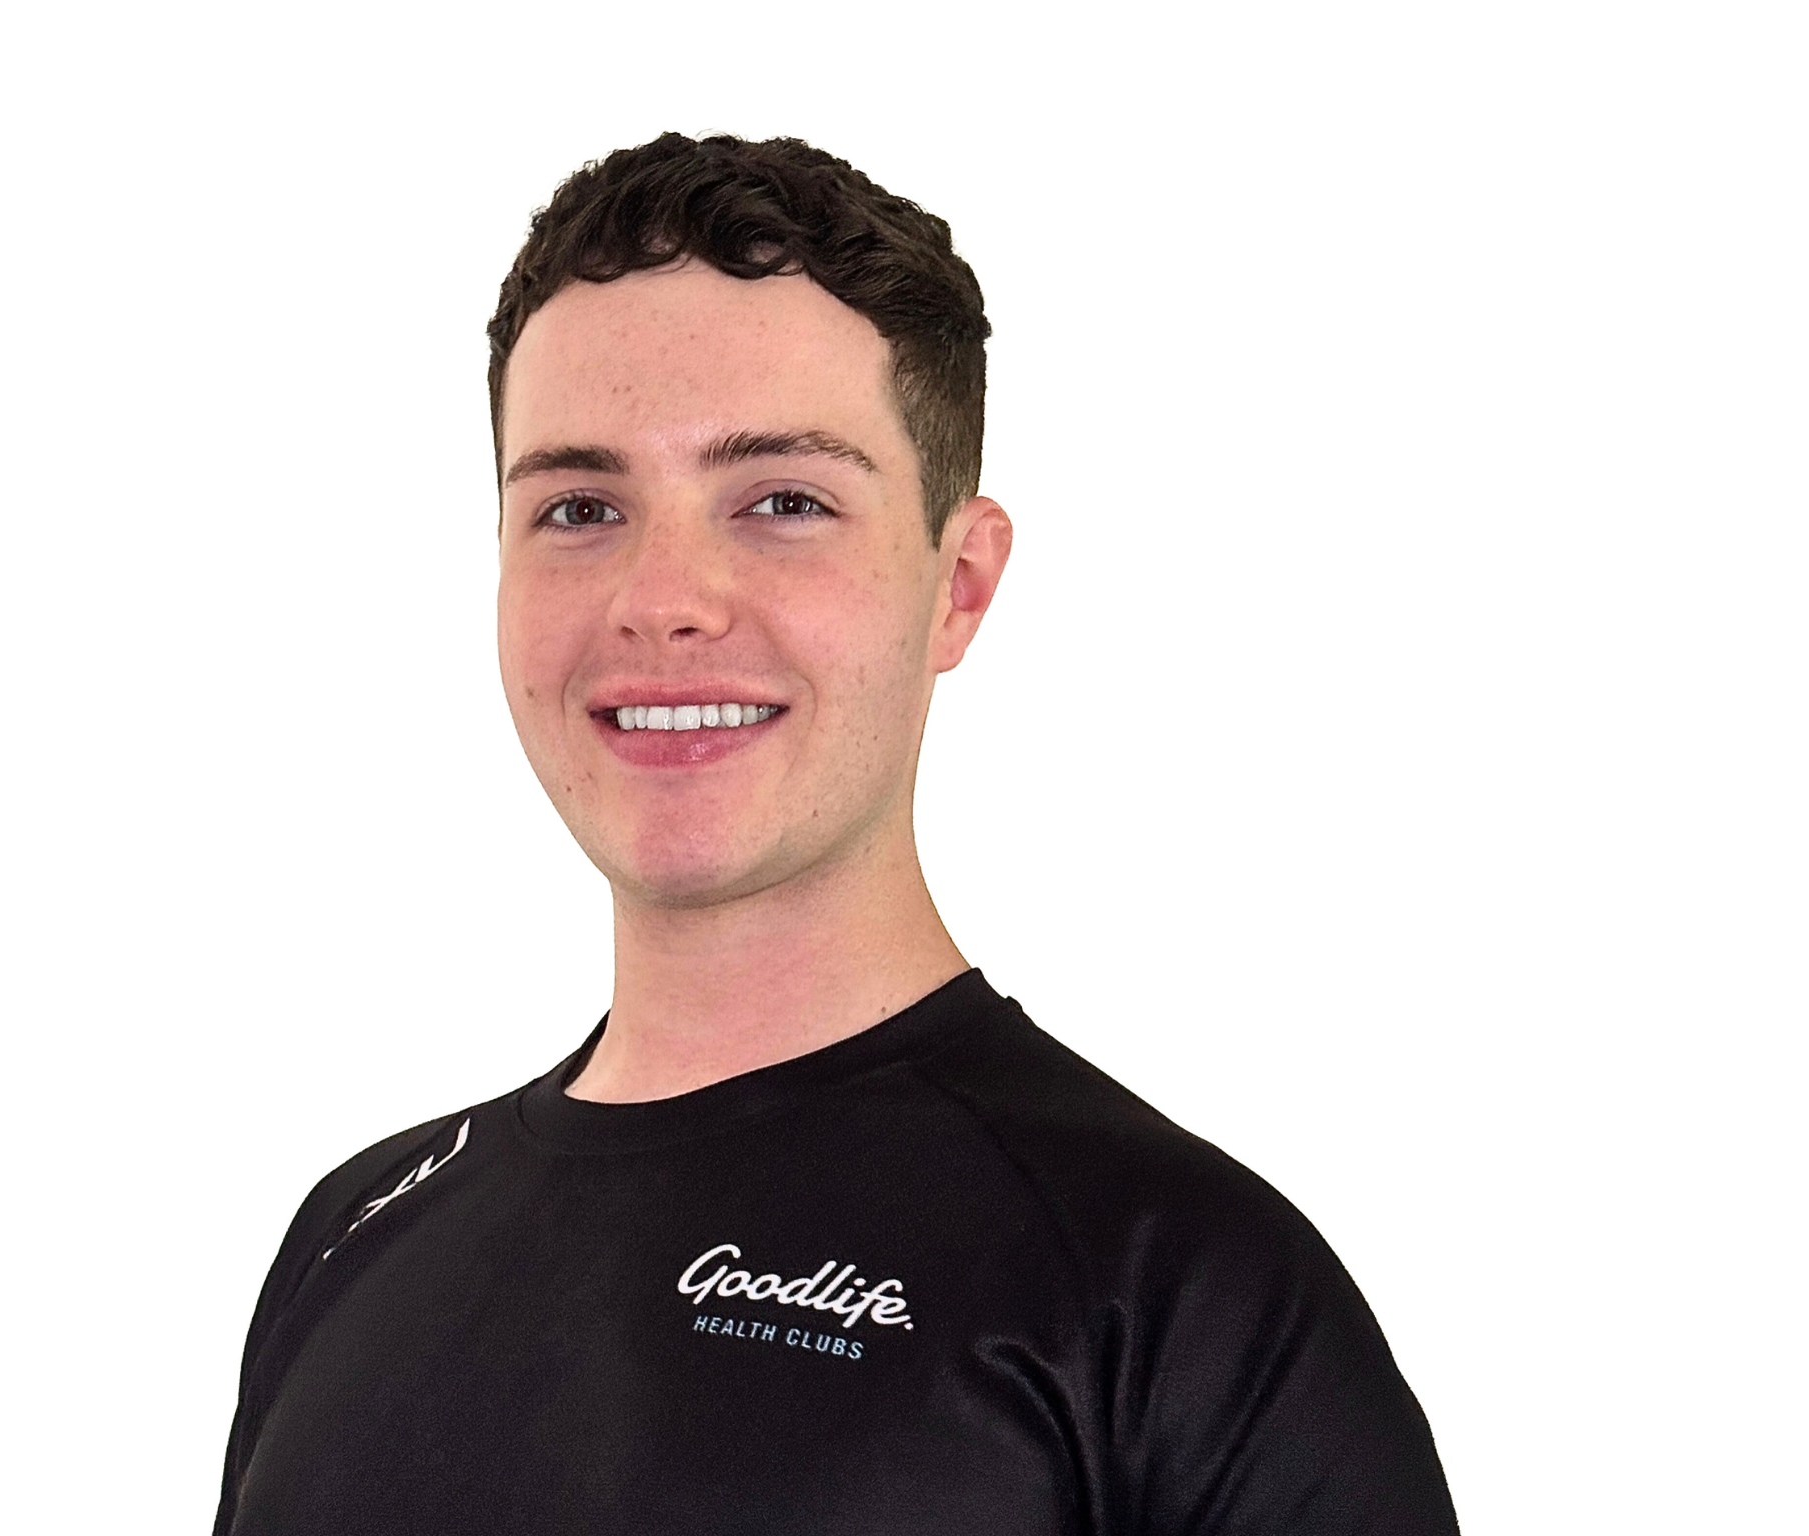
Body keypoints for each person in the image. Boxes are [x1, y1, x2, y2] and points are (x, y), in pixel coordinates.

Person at [213, 132, 1458, 1536]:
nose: (662, 600)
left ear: (959, 584)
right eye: (579, 507)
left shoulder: (1180, 1292)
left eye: (784, 502)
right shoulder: (357, 1236)